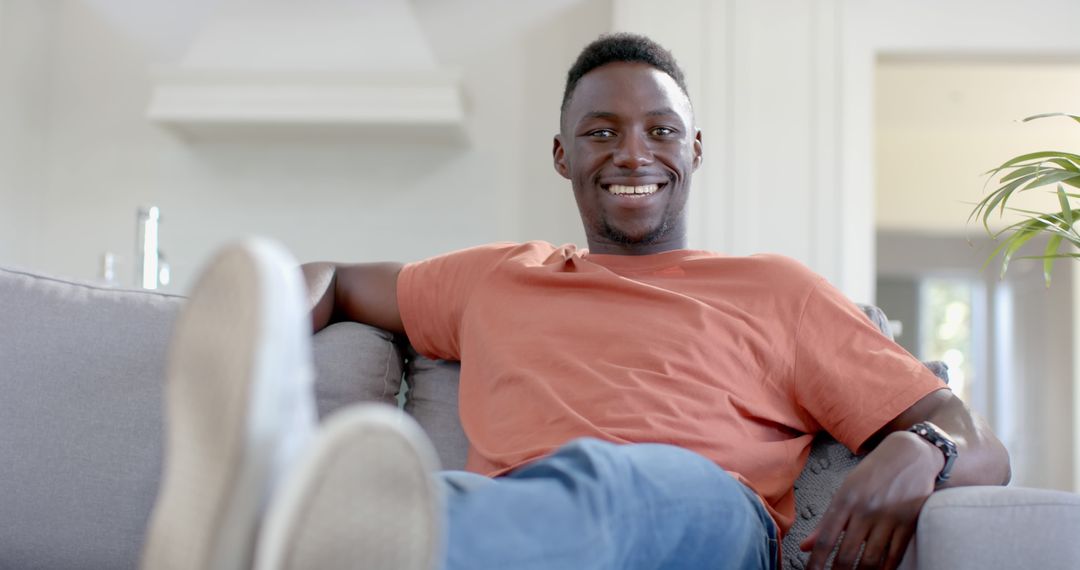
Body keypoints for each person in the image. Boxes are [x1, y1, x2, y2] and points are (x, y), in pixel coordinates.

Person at [141, 34, 1010, 570]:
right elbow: (331, 276)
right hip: (520, 531)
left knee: (619, 476)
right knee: (538, 495)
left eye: (659, 130)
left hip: (704, 521)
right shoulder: (499, 275)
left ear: (693, 150)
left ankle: (328, 537)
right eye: (601, 132)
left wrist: (926, 446)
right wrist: (265, 347)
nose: (633, 153)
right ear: (563, 156)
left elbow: (971, 439)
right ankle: (289, 525)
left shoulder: (775, 289)